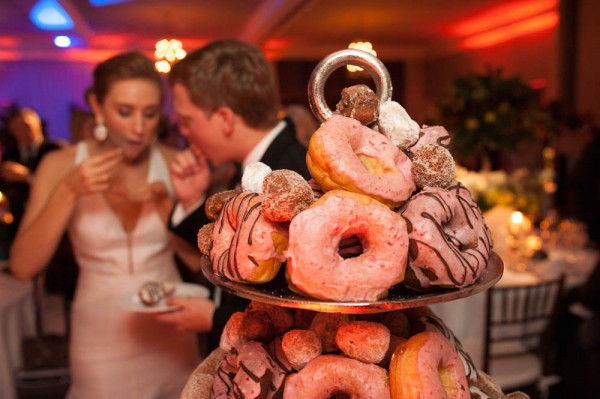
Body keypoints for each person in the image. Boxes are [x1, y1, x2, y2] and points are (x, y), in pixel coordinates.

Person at [9, 52, 200, 399]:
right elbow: (23, 266)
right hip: (99, 335)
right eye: (124, 112)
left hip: (171, 328)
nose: (139, 128)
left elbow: (198, 265)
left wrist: (166, 211)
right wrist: (69, 190)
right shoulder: (60, 164)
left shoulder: (175, 164)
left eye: (150, 114)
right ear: (97, 106)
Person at [156, 39, 310, 349]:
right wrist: (191, 202)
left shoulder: (294, 177)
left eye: (187, 121)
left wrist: (216, 317)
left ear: (225, 119)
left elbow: (296, 301)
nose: (184, 132)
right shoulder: (254, 165)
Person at [0, 107, 62, 246]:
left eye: (25, 125)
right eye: (16, 127)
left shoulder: (56, 150)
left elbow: (63, 183)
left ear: (38, 124)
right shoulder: (10, 155)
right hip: (19, 223)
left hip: (51, 220)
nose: (22, 131)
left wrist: (28, 176)